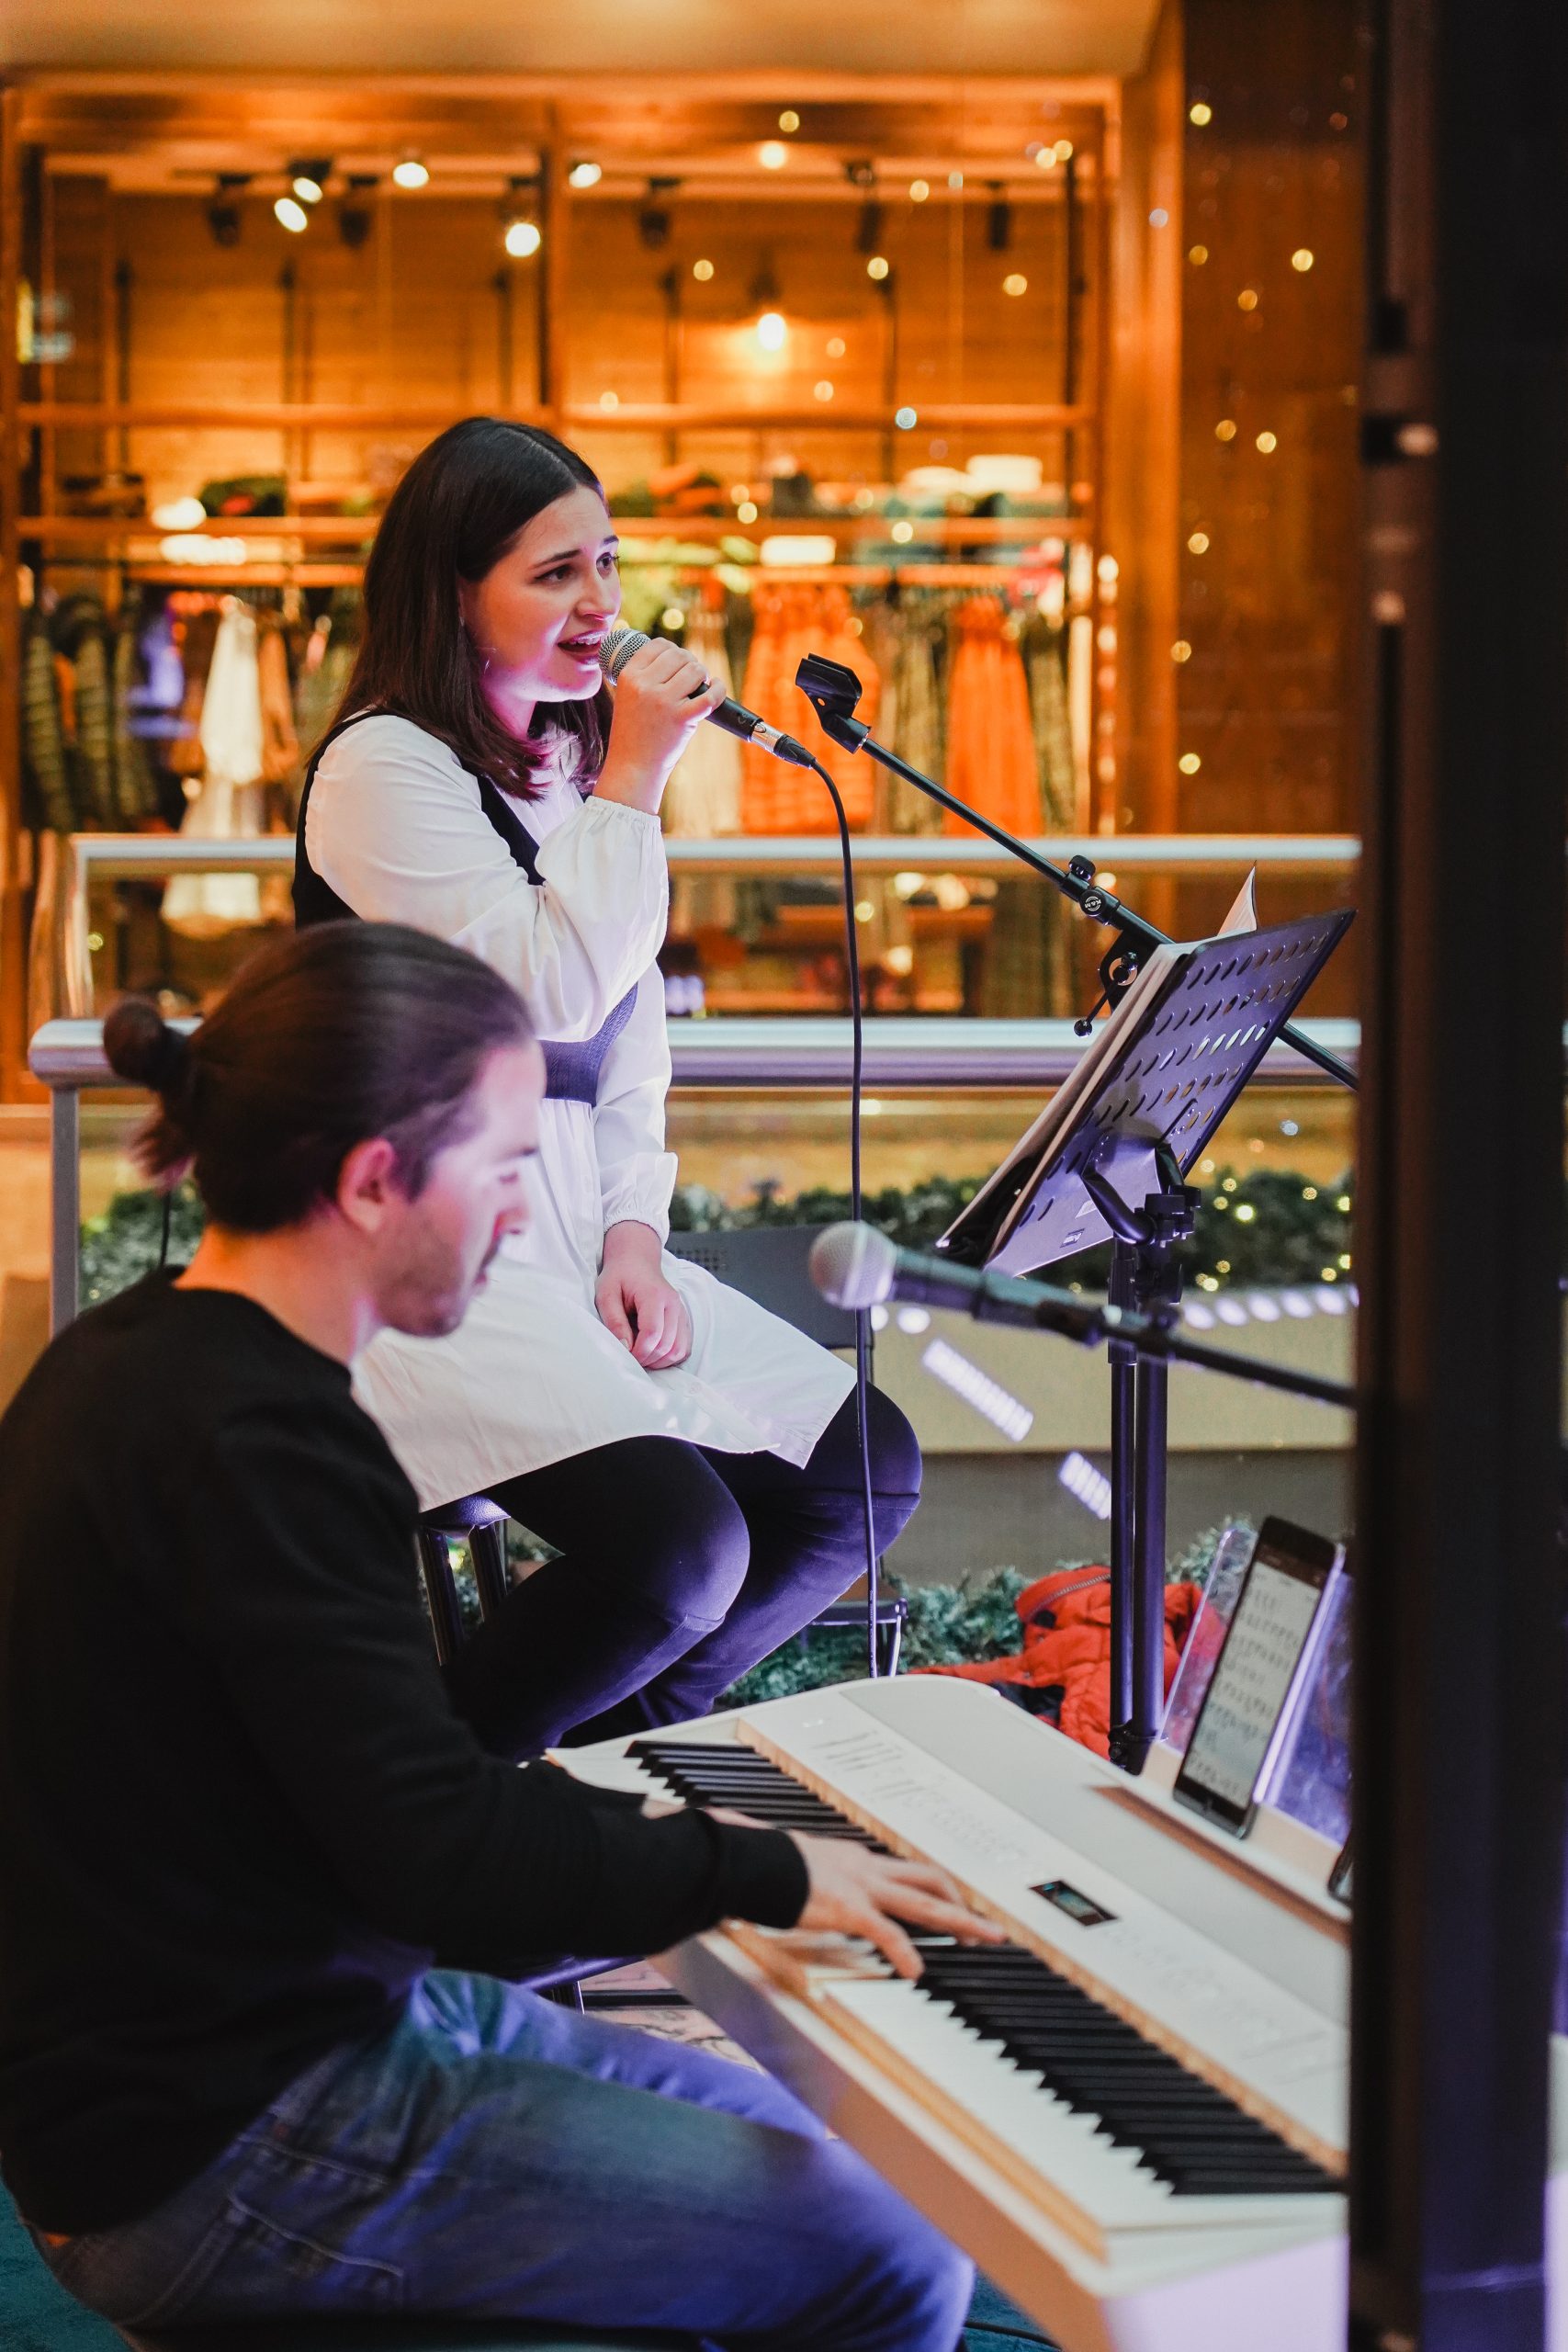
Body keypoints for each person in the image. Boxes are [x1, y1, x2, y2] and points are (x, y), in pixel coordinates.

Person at [0, 922, 992, 2348]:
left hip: (279, 2033)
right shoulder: (265, 1445)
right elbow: (445, 1855)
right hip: (212, 2142)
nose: (527, 1219)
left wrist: (717, 1862)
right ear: (372, 1182)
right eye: (506, 1167)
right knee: (896, 2263)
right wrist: (768, 1870)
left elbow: (392, 1812)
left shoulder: (138, 1355)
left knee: (862, 2179)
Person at [295, 415, 921, 1759]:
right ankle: (420, 1810)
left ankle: (595, 1776)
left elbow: (630, 1040)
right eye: (555, 573)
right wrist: (636, 775)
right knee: (678, 1555)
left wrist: (636, 1229)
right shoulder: (380, 767)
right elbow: (548, 995)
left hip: (578, 1238)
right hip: (425, 1263)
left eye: (609, 563)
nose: (601, 603)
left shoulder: (573, 767)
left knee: (860, 1472)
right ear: (455, 594)